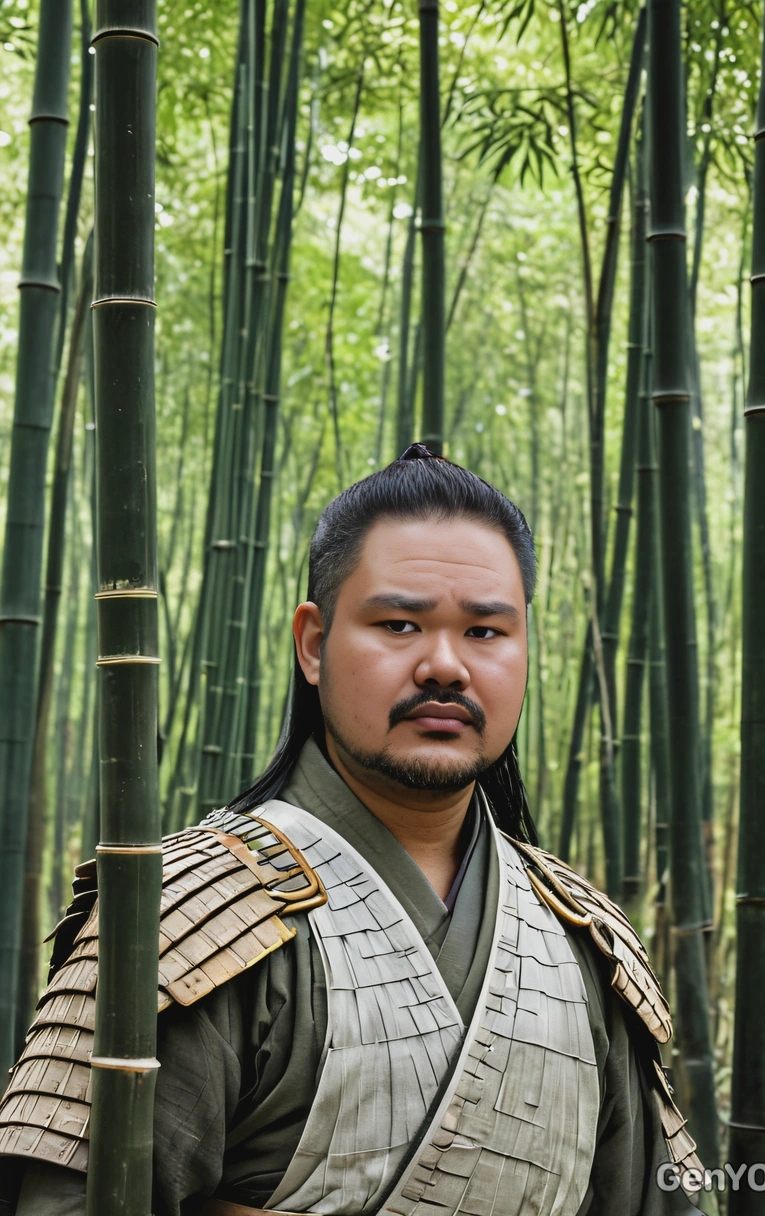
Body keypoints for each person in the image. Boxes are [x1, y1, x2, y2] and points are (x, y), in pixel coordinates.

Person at [0, 446, 703, 1216]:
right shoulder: (181, 919)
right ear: (312, 642)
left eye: (485, 633)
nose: (445, 666)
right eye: (399, 624)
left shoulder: (582, 938)